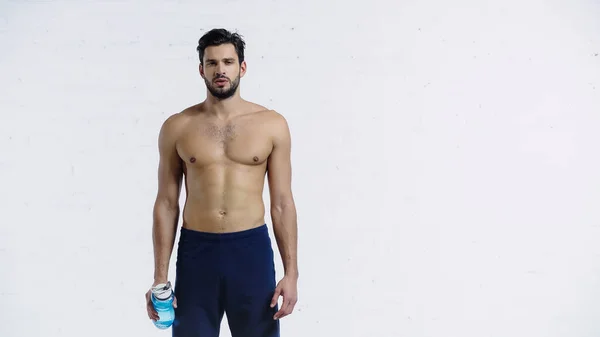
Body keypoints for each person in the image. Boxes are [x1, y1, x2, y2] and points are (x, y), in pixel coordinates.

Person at [144, 28, 299, 337]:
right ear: (201, 69)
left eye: (228, 62)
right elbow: (166, 203)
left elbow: (282, 203)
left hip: (250, 251)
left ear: (242, 67)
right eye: (212, 63)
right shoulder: (178, 127)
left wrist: (291, 272)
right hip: (197, 253)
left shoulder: (271, 124)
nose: (220, 70)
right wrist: (160, 278)